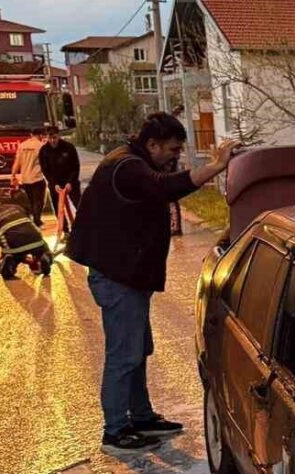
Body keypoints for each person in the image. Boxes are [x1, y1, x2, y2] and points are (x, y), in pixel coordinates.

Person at [67, 113, 238, 451]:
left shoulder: (132, 162)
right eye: (171, 150)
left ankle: (141, 417)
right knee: (123, 354)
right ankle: (115, 430)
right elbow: (166, 188)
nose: (174, 156)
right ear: (152, 144)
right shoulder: (127, 166)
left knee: (137, 351)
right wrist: (216, 166)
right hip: (117, 278)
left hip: (128, 276)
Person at [38, 126, 82, 220]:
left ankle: (83, 225)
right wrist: (54, 184)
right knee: (58, 207)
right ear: (47, 137)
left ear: (59, 136)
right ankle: (64, 229)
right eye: (50, 138)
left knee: (79, 204)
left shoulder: (69, 147)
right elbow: (45, 170)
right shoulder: (44, 151)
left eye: (54, 138)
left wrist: (70, 182)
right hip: (55, 183)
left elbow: (75, 167)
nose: (53, 140)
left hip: (71, 180)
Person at [11, 127, 47, 226]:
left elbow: (17, 162)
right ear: (40, 135)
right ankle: (37, 221)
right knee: (39, 201)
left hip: (25, 179)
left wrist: (13, 175)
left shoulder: (22, 146)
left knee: (31, 201)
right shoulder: (41, 146)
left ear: (31, 134)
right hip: (37, 178)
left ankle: (32, 220)